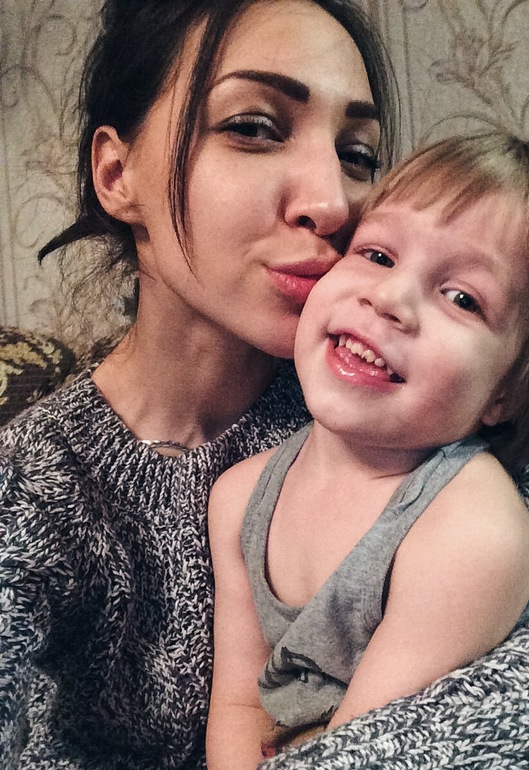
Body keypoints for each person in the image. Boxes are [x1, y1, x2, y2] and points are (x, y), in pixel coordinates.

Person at [0, 1, 398, 769]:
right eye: (253, 127)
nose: (332, 202)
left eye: (356, 154)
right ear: (118, 175)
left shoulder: (394, 409)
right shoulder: (30, 485)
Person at [205, 132, 529, 769]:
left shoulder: (472, 532)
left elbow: (369, 753)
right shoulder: (238, 499)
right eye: (376, 254)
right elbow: (238, 705)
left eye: (462, 298)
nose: (390, 299)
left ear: (507, 392)